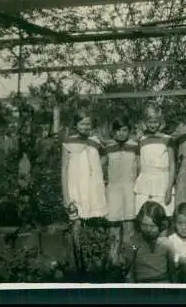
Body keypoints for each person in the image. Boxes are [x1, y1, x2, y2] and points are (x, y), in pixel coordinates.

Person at [61, 110, 108, 271]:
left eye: (88, 123)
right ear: (75, 125)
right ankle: (78, 264)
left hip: (92, 188)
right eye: (82, 123)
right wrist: (66, 195)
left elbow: (106, 154)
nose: (85, 127)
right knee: (76, 224)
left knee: (94, 223)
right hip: (76, 188)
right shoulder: (69, 142)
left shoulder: (95, 141)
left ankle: (94, 264)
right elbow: (64, 169)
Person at [132, 104, 176, 229]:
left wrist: (169, 188)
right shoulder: (141, 139)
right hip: (145, 182)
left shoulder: (167, 139)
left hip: (162, 181)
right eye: (149, 122)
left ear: (160, 121)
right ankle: (141, 248)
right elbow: (139, 164)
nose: (153, 125)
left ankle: (164, 246)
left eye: (155, 122)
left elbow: (172, 164)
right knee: (144, 217)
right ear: (145, 122)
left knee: (164, 219)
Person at [104, 116, 139, 264]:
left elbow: (139, 167)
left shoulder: (135, 145)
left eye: (124, 130)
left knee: (129, 229)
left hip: (130, 190)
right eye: (117, 130)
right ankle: (113, 262)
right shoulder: (107, 146)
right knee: (113, 229)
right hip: (113, 190)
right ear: (112, 132)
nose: (121, 133)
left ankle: (128, 262)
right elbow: (101, 167)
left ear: (129, 131)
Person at [124, 201, 177, 283]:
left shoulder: (166, 244)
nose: (148, 229)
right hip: (141, 285)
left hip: (162, 284)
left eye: (152, 226)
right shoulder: (134, 243)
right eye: (144, 225)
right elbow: (129, 270)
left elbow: (172, 271)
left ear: (160, 225)